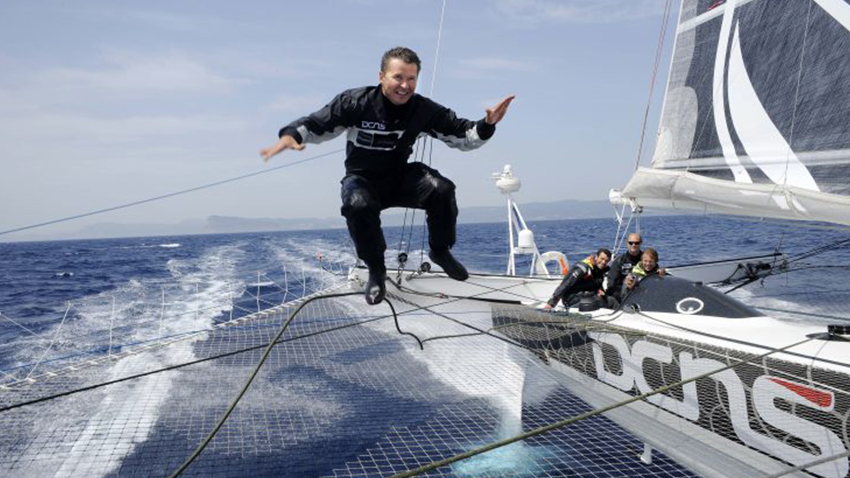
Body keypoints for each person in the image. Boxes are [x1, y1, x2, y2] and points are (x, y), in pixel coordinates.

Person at [260, 47, 515, 305]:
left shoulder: (423, 110)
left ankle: (440, 251)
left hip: (400, 177)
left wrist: (487, 125)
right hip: (362, 180)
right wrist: (290, 135)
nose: (405, 85)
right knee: (357, 205)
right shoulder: (355, 102)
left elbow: (462, 135)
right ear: (381, 76)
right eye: (398, 77)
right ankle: (376, 270)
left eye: (411, 79)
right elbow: (317, 123)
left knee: (442, 189)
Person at [544, 248, 611, 309]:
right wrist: (551, 303)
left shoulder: (600, 270)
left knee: (609, 300)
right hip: (572, 298)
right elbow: (566, 284)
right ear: (596, 257)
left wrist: (601, 291)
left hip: (587, 295)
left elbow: (597, 285)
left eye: (606, 261)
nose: (603, 262)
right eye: (602, 259)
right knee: (599, 302)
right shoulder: (583, 268)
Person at [605, 233, 644, 306]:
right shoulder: (619, 261)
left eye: (636, 243)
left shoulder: (646, 260)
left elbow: (654, 275)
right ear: (627, 243)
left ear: (641, 243)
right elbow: (611, 284)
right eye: (631, 243)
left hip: (643, 294)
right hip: (624, 297)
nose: (633, 245)